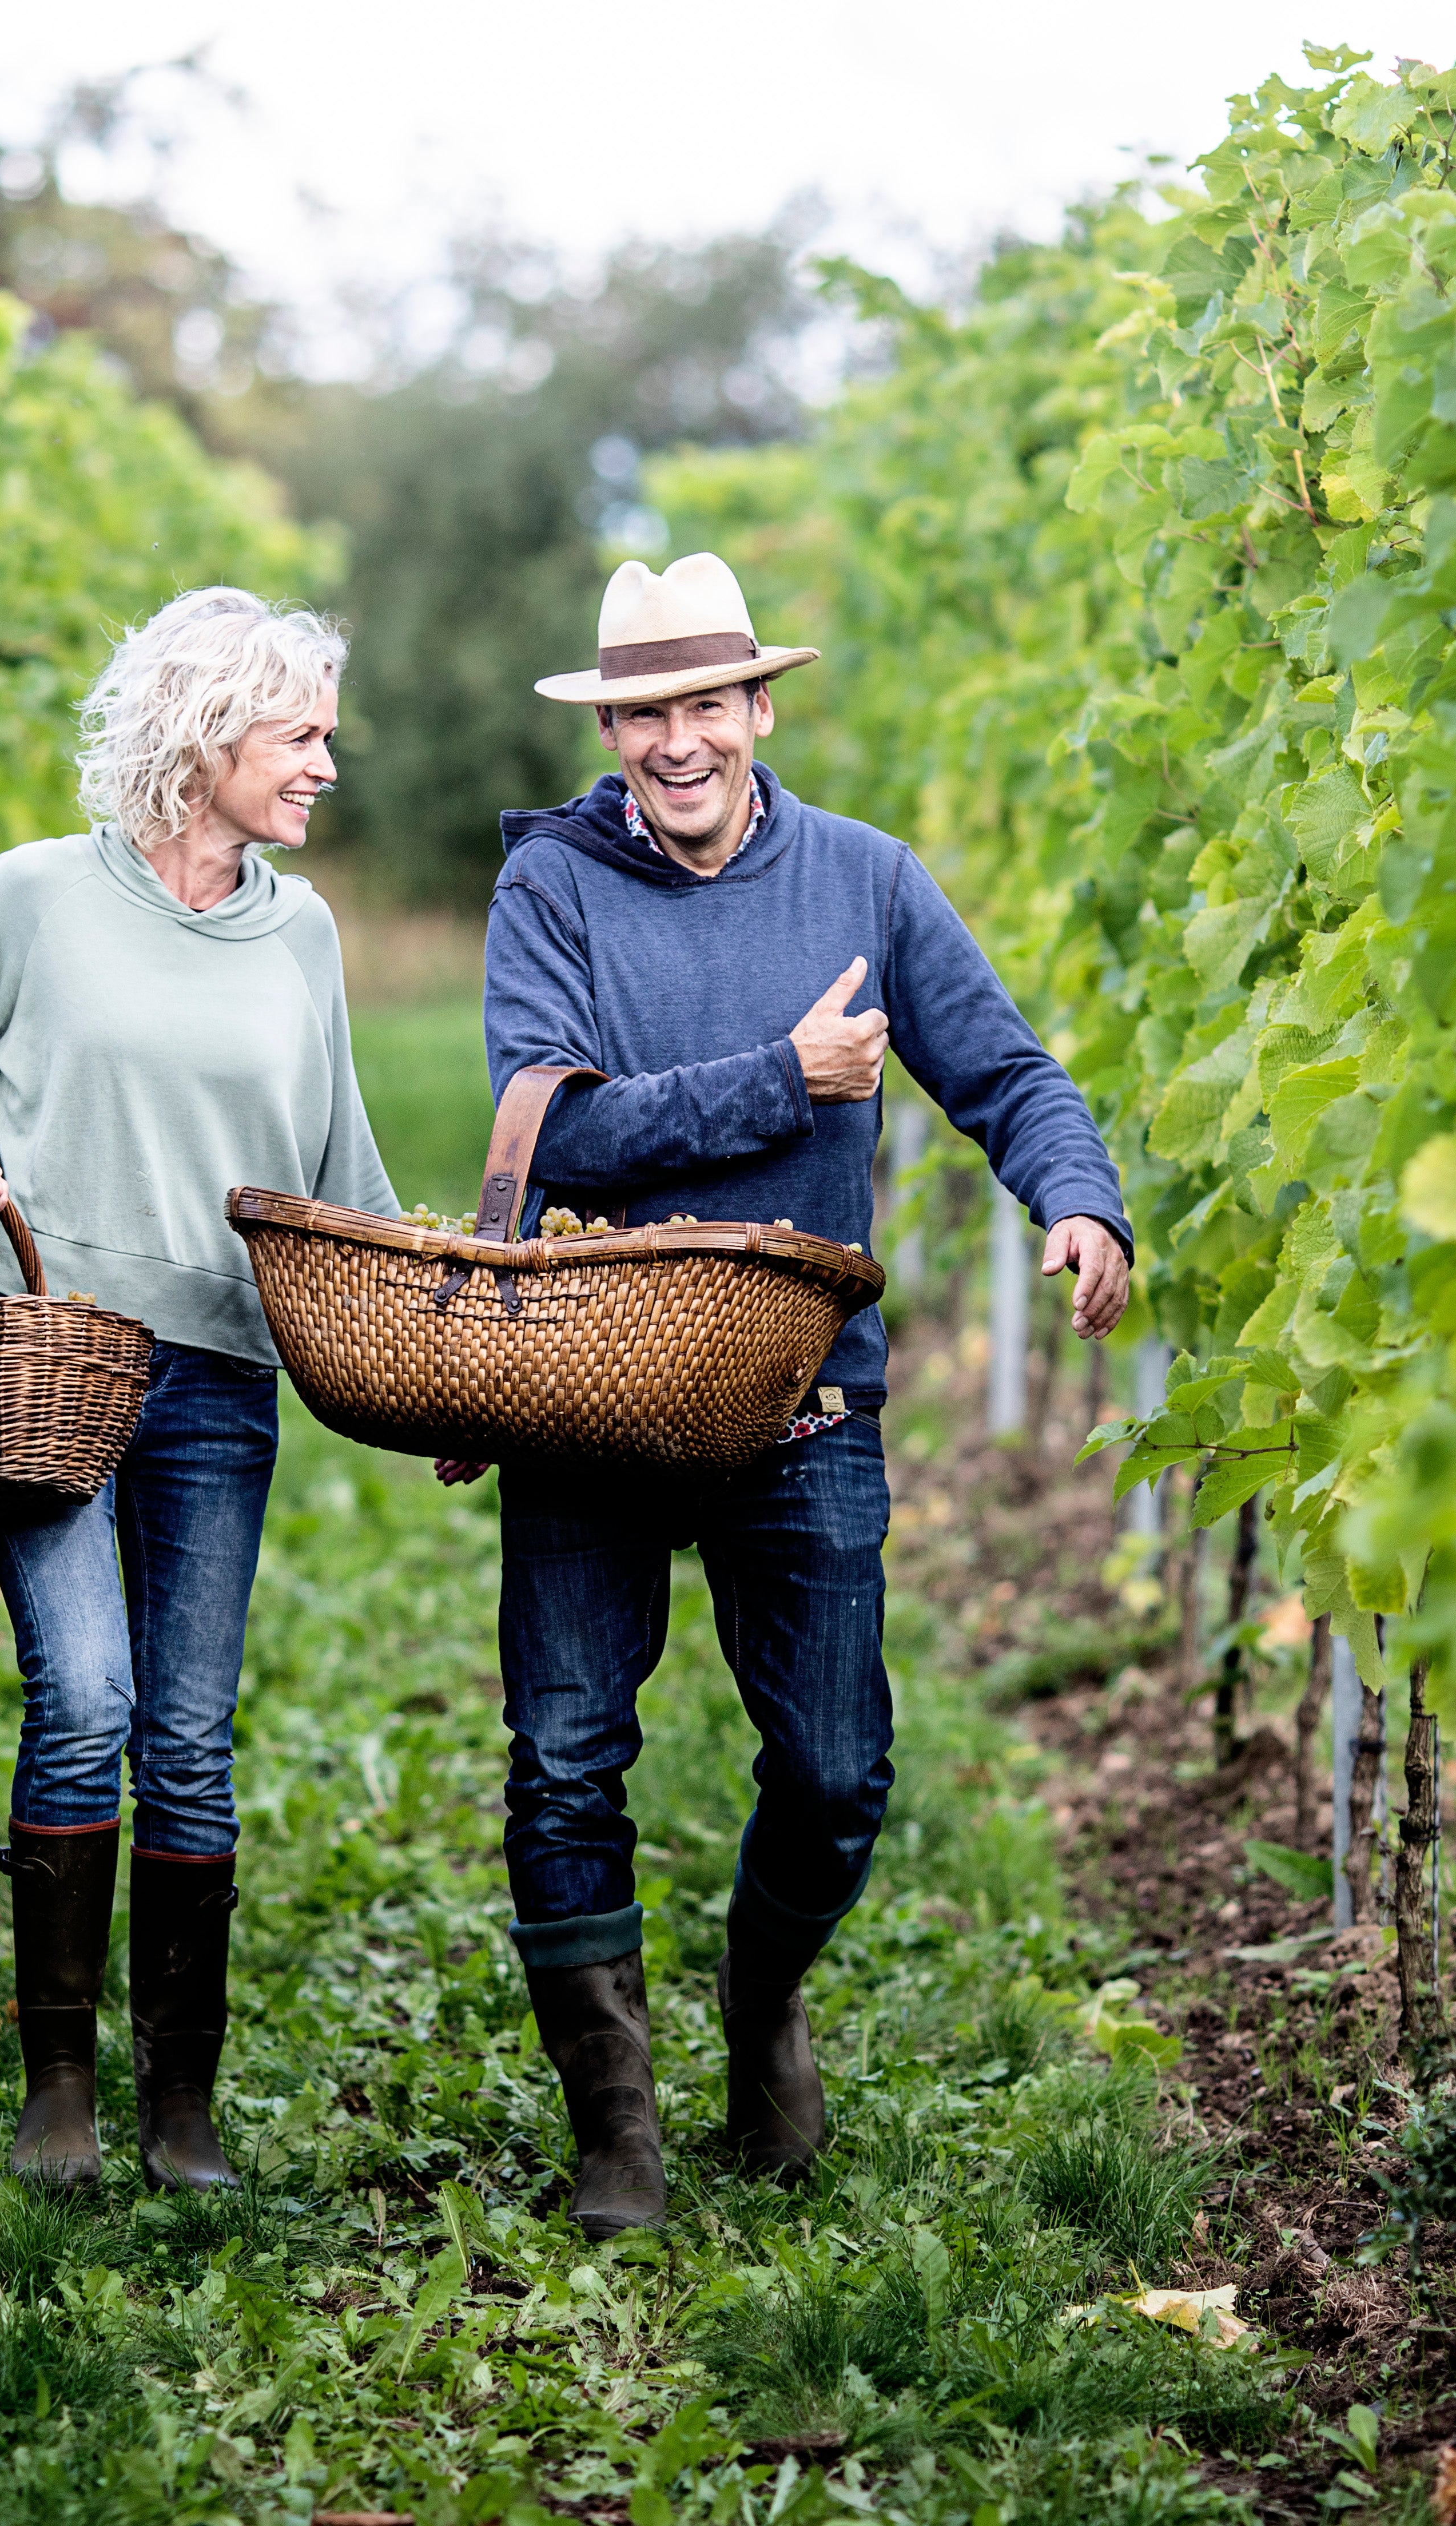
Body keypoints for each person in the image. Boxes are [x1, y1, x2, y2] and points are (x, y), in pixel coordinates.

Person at [463, 551, 1135, 2236]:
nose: (674, 740)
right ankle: (615, 2126)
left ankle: (761, 2004)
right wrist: (784, 1079)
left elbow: (1007, 1070)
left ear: (761, 707)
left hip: (805, 1402)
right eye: (642, 713)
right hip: (591, 1392)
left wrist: (1080, 1198)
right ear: (611, 729)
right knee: (561, 1759)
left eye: (704, 703)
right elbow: (553, 1132)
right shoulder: (553, 891)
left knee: (838, 1769)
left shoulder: (866, 883)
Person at [0, 588, 398, 2191]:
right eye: (299, 733)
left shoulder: (300, 931)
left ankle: (180, 2103)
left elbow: (341, 1174)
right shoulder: (36, 899)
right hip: (47, 1373)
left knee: (185, 1735)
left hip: (222, 1380)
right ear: (207, 731)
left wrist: (439, 1351)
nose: (325, 764)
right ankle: (59, 2090)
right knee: (87, 1701)